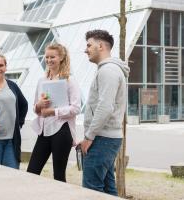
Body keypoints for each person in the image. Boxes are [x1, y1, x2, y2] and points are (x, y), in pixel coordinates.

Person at [79, 30, 129, 196]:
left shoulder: (108, 71)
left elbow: (105, 107)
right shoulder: (109, 70)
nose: (86, 50)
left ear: (100, 46)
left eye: (89, 45)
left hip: (102, 138)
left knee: (91, 189)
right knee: (107, 190)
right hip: (105, 138)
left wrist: (89, 136)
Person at [27, 43, 81, 182]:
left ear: (61, 57)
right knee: (31, 171)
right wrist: (39, 105)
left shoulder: (69, 80)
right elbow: (35, 107)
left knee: (58, 175)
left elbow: (76, 108)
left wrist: (53, 111)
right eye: (47, 57)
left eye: (53, 57)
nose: (49, 60)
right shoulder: (41, 80)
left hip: (62, 130)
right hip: (44, 131)